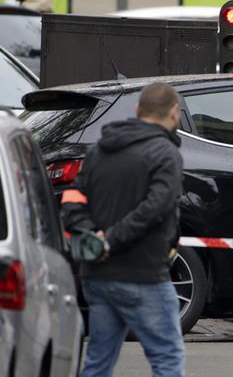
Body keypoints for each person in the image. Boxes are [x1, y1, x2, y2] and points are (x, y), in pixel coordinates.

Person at [67, 83, 186, 376]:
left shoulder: (98, 152)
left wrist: (91, 236)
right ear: (175, 112)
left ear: (137, 111)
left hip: (98, 277)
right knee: (167, 359)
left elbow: (72, 201)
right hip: (143, 275)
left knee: (98, 361)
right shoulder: (165, 154)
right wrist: (111, 241)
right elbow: (156, 208)